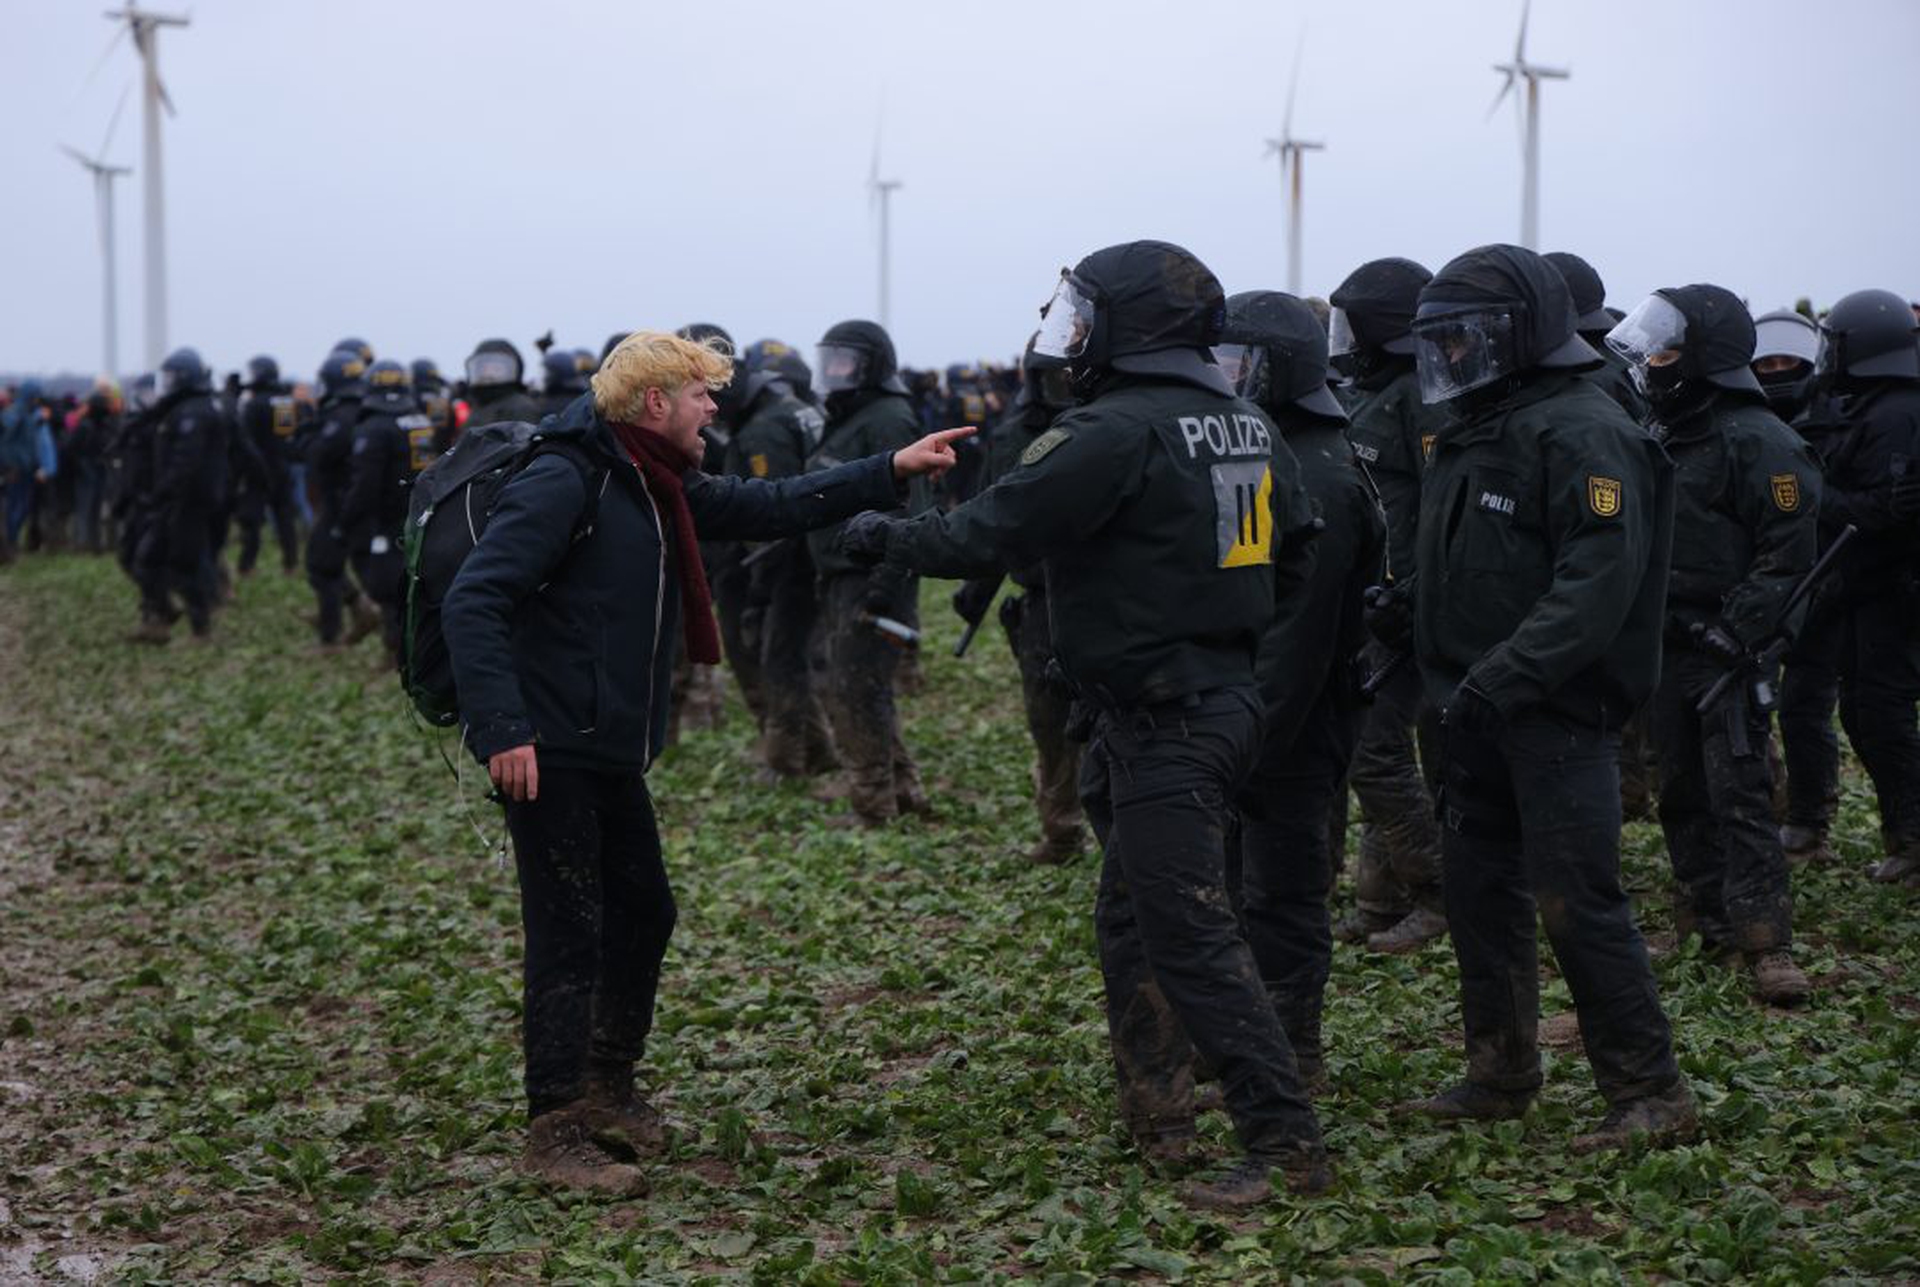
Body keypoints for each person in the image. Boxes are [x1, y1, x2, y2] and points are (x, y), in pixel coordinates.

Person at [838, 240, 1332, 1210]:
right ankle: (1160, 1113)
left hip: (1167, 721)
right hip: (1208, 703)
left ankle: (1283, 1141)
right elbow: (1301, 549)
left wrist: (882, 533)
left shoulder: (1112, 430)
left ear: (1127, 328)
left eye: (1081, 314)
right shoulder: (1239, 421)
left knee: (1188, 931)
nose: (1066, 335)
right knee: (1132, 917)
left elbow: (989, 529)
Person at [440, 329, 968, 1194]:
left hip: (606, 744)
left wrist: (891, 469)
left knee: (644, 912)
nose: (715, 409)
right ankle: (555, 1127)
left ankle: (609, 1085)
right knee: (569, 929)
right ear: (654, 404)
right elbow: (477, 599)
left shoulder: (656, 482)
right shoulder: (566, 477)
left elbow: (775, 505)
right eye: (700, 396)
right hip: (548, 747)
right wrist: (503, 730)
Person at [1402, 243, 1695, 1152]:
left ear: (1521, 333)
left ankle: (1650, 1091)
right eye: (1441, 340)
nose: (1452, 356)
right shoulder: (1477, 425)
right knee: (1479, 893)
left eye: (1469, 337)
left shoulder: (1584, 428)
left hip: (1555, 715)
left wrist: (1507, 676)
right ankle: (1501, 1069)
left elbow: (1595, 588)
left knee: (1580, 902)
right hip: (1468, 708)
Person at [1606, 285, 1820, 1003]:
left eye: (1668, 346)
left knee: (1741, 792)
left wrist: (1744, 628)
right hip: (1667, 643)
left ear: (1704, 355)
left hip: (1731, 645)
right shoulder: (1664, 427)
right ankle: (1706, 921)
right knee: (1678, 786)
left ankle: (1767, 943)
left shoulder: (1758, 439)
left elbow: (1788, 555)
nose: (1653, 359)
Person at [1218, 289, 1384, 1089]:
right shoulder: (1260, 448)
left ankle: (1294, 1054)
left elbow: (1296, 632)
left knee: (1283, 892)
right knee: (1236, 888)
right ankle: (1246, 1039)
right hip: (1246, 713)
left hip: (1292, 723)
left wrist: (1246, 734)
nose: (1223, 379)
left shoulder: (1321, 466)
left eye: (1237, 363)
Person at [1327, 257, 1451, 954]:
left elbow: (1438, 509)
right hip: (1377, 600)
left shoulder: (1422, 398)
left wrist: (1412, 596)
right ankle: (1381, 898)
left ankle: (1437, 892)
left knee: (1375, 752)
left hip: (1409, 607)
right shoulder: (1376, 392)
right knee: (1375, 746)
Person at [949, 336, 1088, 864]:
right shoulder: (1014, 438)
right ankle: (1061, 830)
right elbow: (994, 521)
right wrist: (975, 589)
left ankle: (1113, 832)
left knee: (1107, 725)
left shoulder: (1107, 429)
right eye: (1058, 377)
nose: (1067, 387)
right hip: (1041, 603)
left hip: (1101, 596)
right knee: (1049, 725)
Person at [806, 319, 933, 827]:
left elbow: (911, 513)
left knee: (855, 690)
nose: (834, 370)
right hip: (843, 577)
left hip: (872, 581)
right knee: (859, 687)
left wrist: (883, 591)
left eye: (845, 361)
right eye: (829, 359)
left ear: (872, 365)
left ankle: (873, 806)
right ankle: (905, 792)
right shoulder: (847, 415)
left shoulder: (888, 419)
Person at [1814, 289, 1920, 886]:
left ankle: (1913, 838)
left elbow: (1881, 512)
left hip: (1891, 590)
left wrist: (1814, 496)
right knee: (1864, 711)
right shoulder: (1870, 405)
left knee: (1880, 714)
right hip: (1867, 589)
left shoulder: (1895, 414)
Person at [1754, 309, 1845, 864]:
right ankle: (1771, 807)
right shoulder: (1742, 423)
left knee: (1806, 707)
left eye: (1789, 361)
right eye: (1768, 362)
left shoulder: (1838, 422)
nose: (1778, 371)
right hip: (1759, 587)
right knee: (1751, 707)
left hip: (1827, 584)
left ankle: (1810, 821)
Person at [727, 341, 838, 779]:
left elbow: (772, 513)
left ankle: (786, 759)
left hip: (792, 559)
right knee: (797, 654)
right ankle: (820, 750)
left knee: (781, 658)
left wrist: (759, 585)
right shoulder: (795, 407)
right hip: (818, 549)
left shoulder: (762, 431)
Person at [133, 348, 230, 642]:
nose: (168, 384)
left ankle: (201, 627)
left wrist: (162, 492)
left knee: (183, 565)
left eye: (172, 377)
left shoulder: (195, 412)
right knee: (149, 559)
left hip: (189, 500)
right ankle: (159, 619)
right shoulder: (191, 408)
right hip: (181, 499)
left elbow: (185, 462)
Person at [341, 360, 432, 666]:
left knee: (387, 586)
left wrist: (349, 517)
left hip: (389, 517)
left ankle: (397, 653)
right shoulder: (419, 418)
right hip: (422, 510)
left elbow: (366, 482)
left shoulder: (374, 426)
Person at [463, 338, 541, 429]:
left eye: (496, 369)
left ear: (513, 370)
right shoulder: (478, 406)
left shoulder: (521, 407)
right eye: (484, 369)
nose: (489, 374)